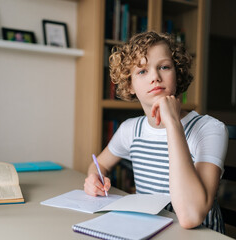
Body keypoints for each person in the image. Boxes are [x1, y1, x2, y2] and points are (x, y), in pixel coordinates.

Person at [83, 31, 228, 233]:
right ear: (129, 84)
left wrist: (172, 123)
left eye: (164, 67)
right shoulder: (131, 130)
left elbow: (191, 217)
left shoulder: (209, 129)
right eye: (142, 71)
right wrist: (94, 180)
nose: (155, 77)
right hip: (151, 231)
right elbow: (97, 165)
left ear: (177, 74)